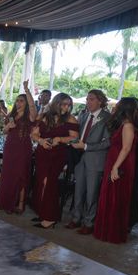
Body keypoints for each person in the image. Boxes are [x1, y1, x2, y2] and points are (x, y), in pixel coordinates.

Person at [94, 98, 138, 243]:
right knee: (110, 196)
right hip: (116, 161)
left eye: (117, 105)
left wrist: (115, 167)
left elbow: (126, 148)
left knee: (115, 197)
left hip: (121, 164)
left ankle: (112, 232)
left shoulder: (128, 125)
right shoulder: (124, 123)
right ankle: (106, 230)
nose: (115, 107)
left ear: (123, 107)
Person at [31, 93, 79, 228]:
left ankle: (50, 217)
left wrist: (60, 139)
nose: (67, 107)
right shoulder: (45, 116)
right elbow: (33, 134)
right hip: (42, 153)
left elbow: (75, 138)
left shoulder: (71, 119)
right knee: (41, 182)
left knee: (49, 182)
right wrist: (40, 140)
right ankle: (42, 213)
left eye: (69, 105)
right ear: (56, 103)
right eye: (64, 104)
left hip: (58, 155)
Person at [67, 90, 111, 235]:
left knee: (92, 193)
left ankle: (89, 222)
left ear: (100, 101)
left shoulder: (107, 118)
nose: (88, 102)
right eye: (87, 99)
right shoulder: (83, 115)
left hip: (96, 160)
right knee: (78, 191)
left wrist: (86, 146)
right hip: (80, 159)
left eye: (91, 99)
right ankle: (76, 218)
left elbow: (108, 142)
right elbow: (78, 134)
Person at [0, 81, 37, 214]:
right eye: (17, 100)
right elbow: (4, 131)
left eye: (21, 101)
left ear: (25, 103)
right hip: (10, 147)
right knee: (9, 175)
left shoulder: (29, 116)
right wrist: (8, 127)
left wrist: (27, 90)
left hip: (23, 148)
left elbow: (32, 107)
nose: (18, 103)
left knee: (21, 175)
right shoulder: (11, 116)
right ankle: (8, 202)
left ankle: (20, 204)